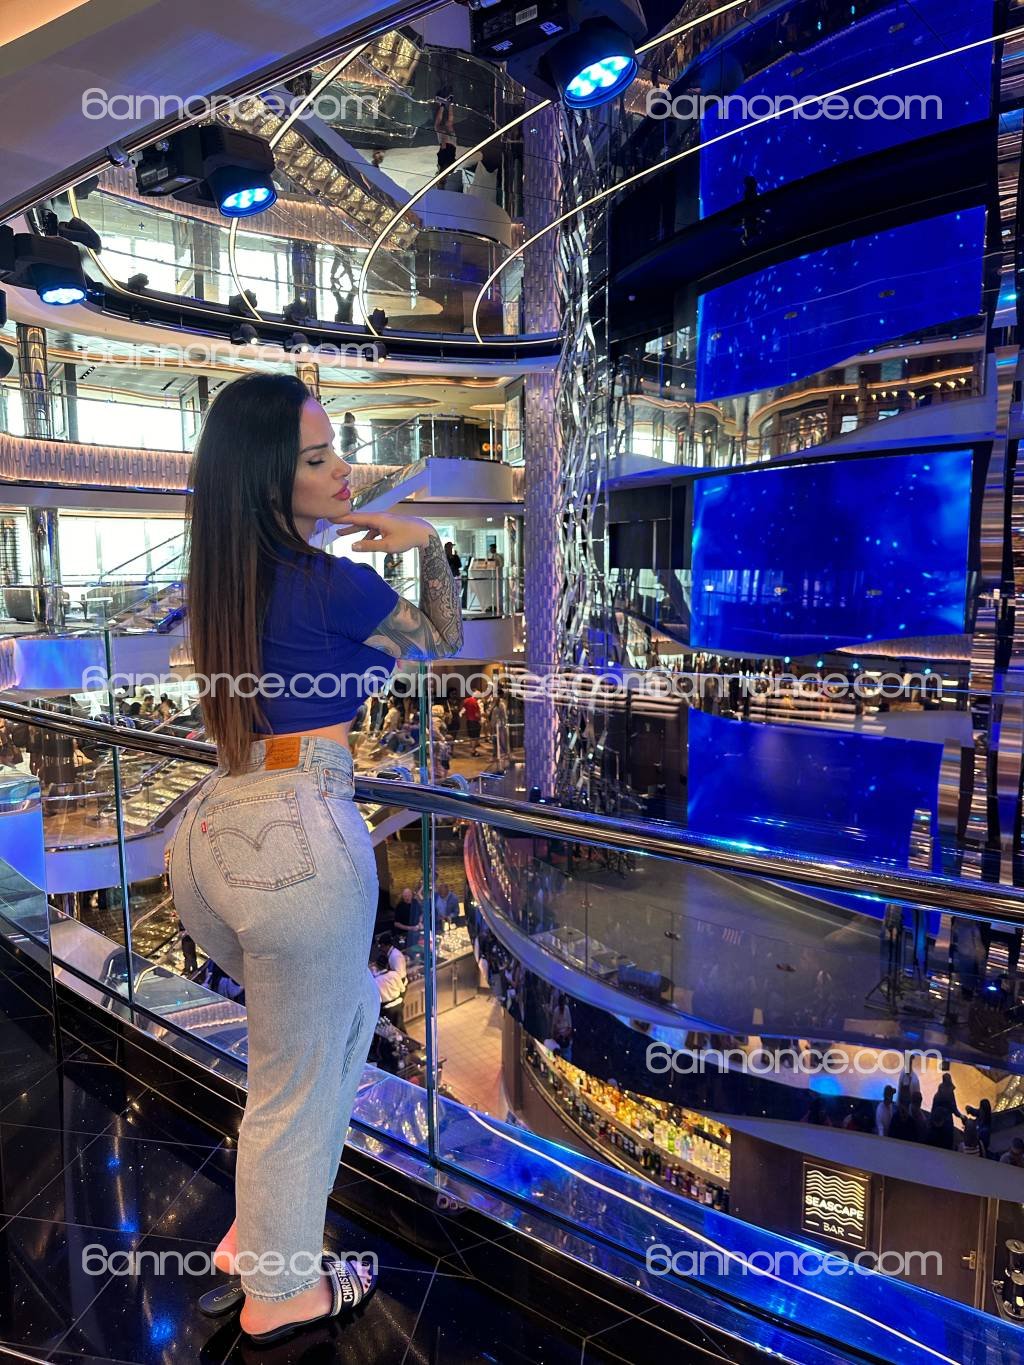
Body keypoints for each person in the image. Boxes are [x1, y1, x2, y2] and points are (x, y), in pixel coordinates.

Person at [167, 372, 463, 1343]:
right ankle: (283, 1291)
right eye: (317, 457)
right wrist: (425, 542)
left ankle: (259, 1237)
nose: (343, 471)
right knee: (298, 1079)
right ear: (269, 479)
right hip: (297, 834)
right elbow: (441, 638)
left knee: (323, 1040)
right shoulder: (336, 584)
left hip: (212, 833)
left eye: (337, 450)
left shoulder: (226, 581)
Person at [371, 947, 406, 1030]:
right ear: (387, 964)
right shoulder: (394, 975)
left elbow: (377, 1000)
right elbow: (402, 989)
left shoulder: (376, 981)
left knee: (389, 1031)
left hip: (387, 1010)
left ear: (376, 966)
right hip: (398, 1006)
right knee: (400, 1028)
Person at [394, 885, 423, 952]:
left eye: (409, 895)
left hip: (415, 933)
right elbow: (396, 923)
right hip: (404, 934)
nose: (407, 897)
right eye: (405, 895)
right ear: (403, 896)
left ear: (411, 895)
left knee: (417, 949)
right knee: (406, 951)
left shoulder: (415, 902)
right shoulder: (400, 906)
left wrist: (420, 922)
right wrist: (410, 928)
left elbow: (421, 914)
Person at [461, 690, 482, 756]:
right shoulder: (474, 702)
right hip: (474, 721)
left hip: (468, 720)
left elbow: (463, 709)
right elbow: (476, 714)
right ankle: (473, 751)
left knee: (471, 736)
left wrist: (463, 714)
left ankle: (473, 749)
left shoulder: (466, 700)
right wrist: (480, 719)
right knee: (474, 737)